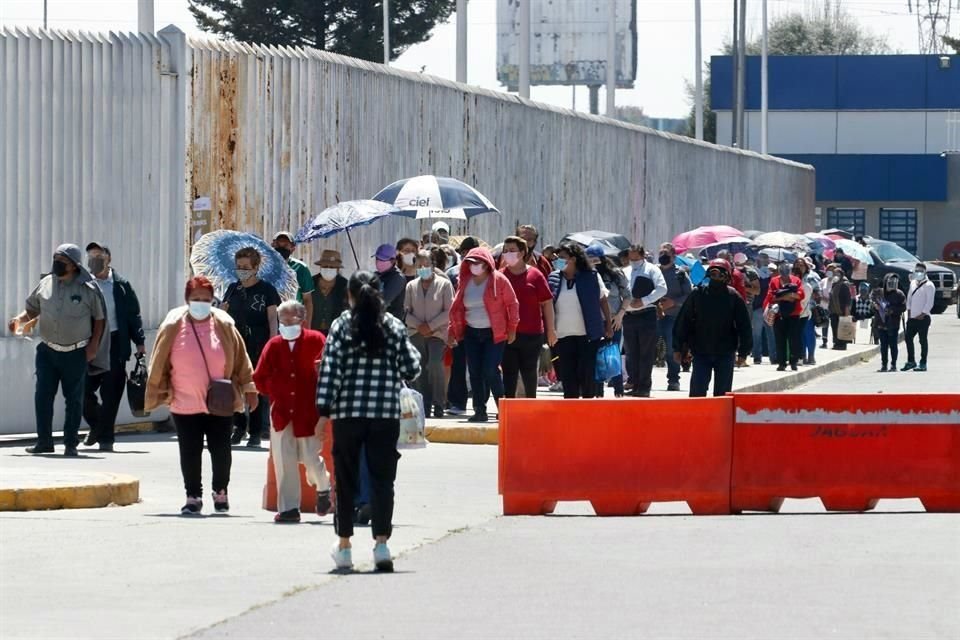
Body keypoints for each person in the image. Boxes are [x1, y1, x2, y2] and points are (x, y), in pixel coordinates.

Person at [319, 271, 422, 572]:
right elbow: (411, 367)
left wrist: (323, 410)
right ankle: (381, 545)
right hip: (384, 415)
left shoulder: (340, 325)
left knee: (346, 479)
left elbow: (330, 372)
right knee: (382, 481)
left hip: (348, 415)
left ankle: (345, 546)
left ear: (349, 295)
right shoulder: (392, 326)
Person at [145, 276, 257, 515]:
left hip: (220, 401)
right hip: (184, 402)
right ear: (187, 299)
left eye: (205, 299)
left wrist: (249, 388)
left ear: (212, 300)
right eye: (196, 299)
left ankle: (220, 492)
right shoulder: (173, 324)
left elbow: (240, 358)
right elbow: (159, 362)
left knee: (221, 449)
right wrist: (158, 390)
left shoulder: (225, 324)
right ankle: (192, 496)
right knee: (189, 451)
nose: (201, 304)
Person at [8, 244, 107, 456]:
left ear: (73, 265)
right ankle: (44, 441)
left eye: (62, 261)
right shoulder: (45, 283)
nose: (57, 264)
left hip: (75, 352)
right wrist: (18, 320)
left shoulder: (87, 289)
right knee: (43, 396)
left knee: (74, 399)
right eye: (55, 259)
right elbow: (31, 310)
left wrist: (93, 346)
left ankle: (70, 443)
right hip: (47, 352)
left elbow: (99, 319)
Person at [253, 300, 332, 523]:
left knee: (310, 457)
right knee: (284, 460)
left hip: (307, 411)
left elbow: (327, 372)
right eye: (283, 320)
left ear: (302, 320)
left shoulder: (316, 340)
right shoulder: (274, 345)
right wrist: (275, 389)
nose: (286, 324)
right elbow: (259, 377)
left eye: (291, 320)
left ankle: (323, 487)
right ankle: (288, 509)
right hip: (281, 413)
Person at [80, 242, 146, 452]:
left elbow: (133, 315)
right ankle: (98, 426)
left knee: (111, 393)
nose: (94, 260)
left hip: (116, 342)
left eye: (98, 256)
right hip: (90, 343)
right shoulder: (82, 283)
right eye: (90, 256)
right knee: (82, 390)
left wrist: (140, 342)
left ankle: (105, 438)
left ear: (108, 259)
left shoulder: (121, 285)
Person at [448, 247, 519, 422]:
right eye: (470, 263)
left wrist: (512, 328)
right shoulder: (464, 281)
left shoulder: (499, 280)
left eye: (478, 263)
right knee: (474, 372)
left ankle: (503, 407)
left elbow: (512, 304)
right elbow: (456, 309)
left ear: (487, 264)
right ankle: (479, 410)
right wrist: (452, 331)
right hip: (471, 333)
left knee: (490, 370)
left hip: (494, 333)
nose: (474, 266)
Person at [222, 247, 280, 447]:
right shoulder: (232, 289)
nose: (242, 270)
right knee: (234, 386)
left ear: (256, 268)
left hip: (258, 343)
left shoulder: (267, 290)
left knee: (255, 387)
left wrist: (273, 343)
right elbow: (222, 316)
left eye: (246, 267)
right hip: (236, 344)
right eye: (239, 267)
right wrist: (222, 310)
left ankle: (255, 431)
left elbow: (273, 318)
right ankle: (239, 427)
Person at [673, 259, 752, 397]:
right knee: (697, 394)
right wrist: (678, 348)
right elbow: (683, 322)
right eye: (713, 274)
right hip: (701, 351)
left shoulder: (733, 297)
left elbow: (744, 326)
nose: (716, 278)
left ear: (727, 277)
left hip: (725, 352)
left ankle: (720, 419)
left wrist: (743, 352)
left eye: (720, 275)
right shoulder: (697, 294)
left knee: (722, 396)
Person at [547, 242, 613, 399]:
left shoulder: (591, 277)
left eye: (562, 258)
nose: (558, 261)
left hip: (587, 334)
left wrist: (608, 325)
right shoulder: (554, 278)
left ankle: (588, 411)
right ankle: (570, 412)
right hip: (562, 335)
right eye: (557, 258)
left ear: (574, 259)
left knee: (586, 375)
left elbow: (603, 301)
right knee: (568, 376)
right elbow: (548, 304)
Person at [501, 236, 556, 399]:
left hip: (532, 334)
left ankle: (530, 405)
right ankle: (508, 408)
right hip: (507, 334)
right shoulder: (500, 276)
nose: (508, 254)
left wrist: (551, 330)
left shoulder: (535, 275)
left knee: (530, 371)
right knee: (509, 373)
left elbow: (547, 303)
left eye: (512, 250)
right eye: (505, 251)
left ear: (523, 252)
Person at [404, 250, 454, 418]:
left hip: (437, 333)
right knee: (419, 369)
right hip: (416, 332)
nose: (423, 268)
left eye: (426, 265)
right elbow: (406, 312)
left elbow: (449, 311)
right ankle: (424, 404)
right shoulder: (411, 286)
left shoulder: (444, 284)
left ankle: (439, 403)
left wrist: (431, 326)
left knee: (434, 365)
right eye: (419, 265)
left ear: (433, 265)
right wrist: (419, 326)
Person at [621, 245, 667, 397]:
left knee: (646, 353)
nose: (633, 261)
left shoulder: (652, 270)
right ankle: (634, 383)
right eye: (631, 258)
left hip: (646, 314)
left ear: (642, 256)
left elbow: (662, 288)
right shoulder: (625, 271)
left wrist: (644, 301)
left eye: (636, 258)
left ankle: (644, 387)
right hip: (628, 316)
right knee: (631, 352)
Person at [587, 243, 628, 397]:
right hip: (594, 322)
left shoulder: (616, 274)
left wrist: (620, 315)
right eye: (589, 259)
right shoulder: (586, 275)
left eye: (595, 259)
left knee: (613, 355)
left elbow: (627, 296)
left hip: (613, 320)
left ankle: (618, 390)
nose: (593, 263)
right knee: (597, 356)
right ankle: (598, 392)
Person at [444, 236, 479, 416]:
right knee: (457, 364)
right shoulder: (452, 274)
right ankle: (457, 402)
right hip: (459, 325)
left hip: (479, 325)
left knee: (478, 366)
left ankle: (479, 404)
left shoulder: (486, 273)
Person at [654, 243, 692, 391]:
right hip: (653, 316)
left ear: (674, 257)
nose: (663, 256)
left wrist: (674, 303)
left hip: (673, 317)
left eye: (666, 254)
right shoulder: (653, 271)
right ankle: (640, 381)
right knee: (645, 349)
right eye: (661, 253)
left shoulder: (680, 274)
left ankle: (673, 379)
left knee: (671, 349)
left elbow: (689, 295)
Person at [764, 261, 805, 371]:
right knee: (780, 339)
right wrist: (783, 298)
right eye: (783, 274)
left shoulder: (796, 280)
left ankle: (793, 361)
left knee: (794, 339)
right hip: (779, 314)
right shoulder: (774, 281)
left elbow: (801, 294)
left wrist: (790, 295)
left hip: (793, 314)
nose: (785, 277)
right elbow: (771, 297)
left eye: (787, 274)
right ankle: (781, 363)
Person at [272, 231, 314, 327]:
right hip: (271, 318)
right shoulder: (265, 267)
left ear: (293, 248)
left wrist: (307, 326)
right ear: (272, 245)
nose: (281, 247)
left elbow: (307, 300)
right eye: (278, 244)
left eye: (285, 245)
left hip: (293, 320)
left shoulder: (301, 268)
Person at [902, 262, 935, 372]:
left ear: (925, 272)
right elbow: (909, 298)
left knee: (922, 340)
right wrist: (909, 311)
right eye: (917, 271)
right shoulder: (913, 283)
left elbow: (929, 303)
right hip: (912, 317)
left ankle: (923, 362)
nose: (918, 273)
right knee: (908, 338)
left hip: (923, 318)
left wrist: (923, 314)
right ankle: (911, 361)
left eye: (921, 271)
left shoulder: (929, 285)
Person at [873, 274, 906, 372]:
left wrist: (892, 310)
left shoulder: (899, 294)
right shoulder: (879, 293)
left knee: (893, 345)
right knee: (883, 345)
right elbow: (872, 303)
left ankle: (893, 365)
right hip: (881, 323)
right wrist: (875, 307)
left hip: (893, 323)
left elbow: (903, 307)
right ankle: (884, 365)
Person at [310, 249, 349, 334]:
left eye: (332, 267)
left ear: (338, 269)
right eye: (325, 266)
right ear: (320, 267)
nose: (328, 269)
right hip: (313, 330)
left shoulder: (345, 285)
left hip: (337, 332)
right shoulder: (311, 282)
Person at [793, 257, 821, 365]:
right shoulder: (792, 278)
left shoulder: (811, 277)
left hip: (808, 309)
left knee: (808, 333)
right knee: (799, 334)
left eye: (801, 265)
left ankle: (811, 356)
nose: (799, 267)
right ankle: (802, 355)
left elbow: (818, 293)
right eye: (797, 265)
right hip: (794, 310)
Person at [751, 253, 778, 364]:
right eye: (762, 258)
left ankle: (774, 357)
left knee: (771, 333)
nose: (764, 261)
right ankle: (757, 356)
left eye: (766, 258)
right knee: (756, 334)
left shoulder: (774, 275)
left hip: (769, 307)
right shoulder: (754, 273)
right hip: (758, 307)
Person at [374, 243, 406, 320]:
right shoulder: (376, 275)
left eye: (382, 260)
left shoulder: (398, 278)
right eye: (377, 259)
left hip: (392, 324)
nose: (378, 262)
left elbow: (383, 300)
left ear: (393, 261)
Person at [828, 265, 852, 351]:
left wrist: (846, 312)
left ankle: (842, 344)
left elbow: (847, 300)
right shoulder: (833, 285)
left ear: (841, 275)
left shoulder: (844, 285)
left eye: (837, 274)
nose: (835, 275)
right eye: (834, 273)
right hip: (833, 311)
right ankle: (836, 343)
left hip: (842, 311)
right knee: (834, 327)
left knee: (842, 328)